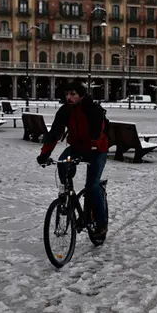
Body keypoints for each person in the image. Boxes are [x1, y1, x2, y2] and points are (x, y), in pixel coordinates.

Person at [37, 81, 110, 240]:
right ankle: (67, 197)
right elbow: (55, 133)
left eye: (73, 94)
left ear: (81, 96)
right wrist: (44, 154)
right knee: (62, 164)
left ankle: (101, 224)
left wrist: (93, 146)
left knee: (92, 186)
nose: (69, 97)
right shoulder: (65, 111)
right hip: (77, 147)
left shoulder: (92, 108)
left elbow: (98, 130)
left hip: (97, 149)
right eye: (67, 94)